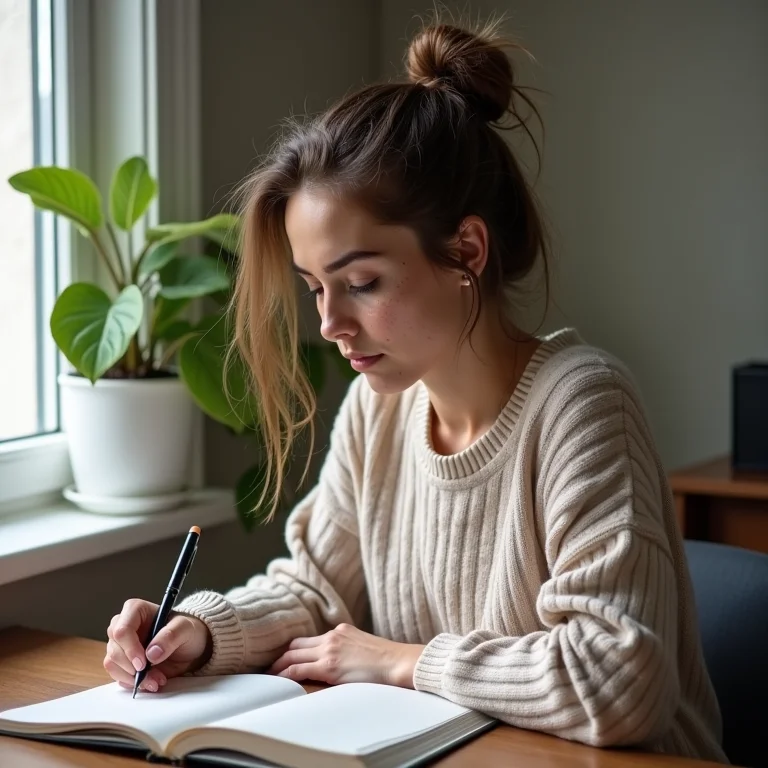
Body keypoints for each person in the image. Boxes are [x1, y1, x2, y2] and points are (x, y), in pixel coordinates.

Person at [103, 19, 727, 763]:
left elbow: (619, 681)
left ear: (466, 250)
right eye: (315, 288)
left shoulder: (581, 406)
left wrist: (402, 661)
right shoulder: (381, 405)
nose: (331, 323)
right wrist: (200, 632)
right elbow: (315, 587)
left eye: (362, 283)